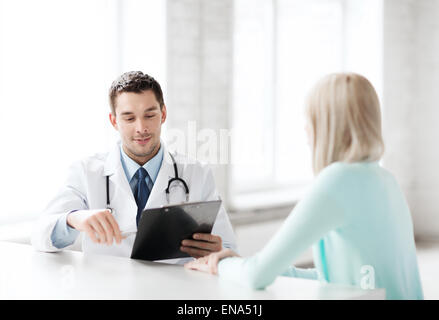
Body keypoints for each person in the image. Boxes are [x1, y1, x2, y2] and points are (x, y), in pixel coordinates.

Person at [185, 72, 424, 299]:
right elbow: (336, 281)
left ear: (328, 126)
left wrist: (221, 263)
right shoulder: (385, 179)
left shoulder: (337, 181)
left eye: (310, 119)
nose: (306, 130)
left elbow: (256, 277)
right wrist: (241, 264)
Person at [32, 71, 236, 264]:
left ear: (163, 114)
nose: (141, 128)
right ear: (114, 121)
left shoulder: (197, 173)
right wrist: (73, 218)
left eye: (150, 115)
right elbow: (40, 235)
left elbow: (228, 249)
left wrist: (217, 251)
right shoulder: (86, 172)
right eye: (129, 118)